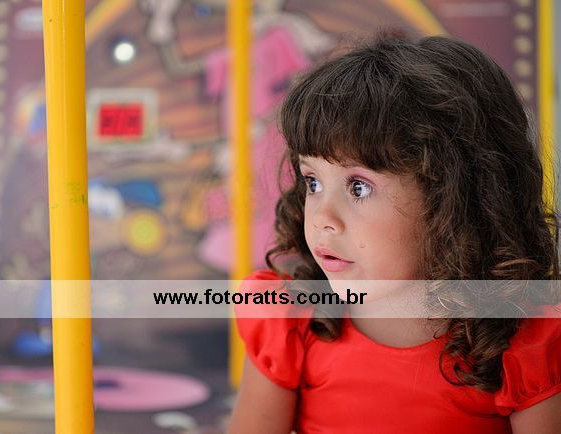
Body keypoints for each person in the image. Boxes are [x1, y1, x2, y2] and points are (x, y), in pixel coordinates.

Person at [228, 32, 561, 434]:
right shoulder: (290, 325)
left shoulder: (529, 345)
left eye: (358, 187)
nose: (322, 217)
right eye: (312, 182)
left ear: (454, 198)